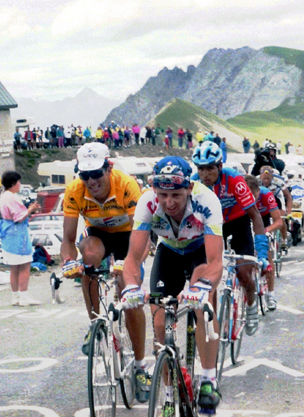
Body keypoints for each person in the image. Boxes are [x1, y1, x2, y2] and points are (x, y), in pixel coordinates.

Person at [121, 156, 224, 413]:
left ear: (189, 188)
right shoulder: (147, 201)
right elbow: (132, 258)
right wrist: (131, 287)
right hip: (168, 252)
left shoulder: (207, 200)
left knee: (204, 301)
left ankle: (209, 378)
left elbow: (215, 261)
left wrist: (202, 287)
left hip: (200, 251)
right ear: (155, 190)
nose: (169, 202)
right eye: (163, 194)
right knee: (159, 321)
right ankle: (168, 392)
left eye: (176, 195)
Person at [59, 143, 150, 401]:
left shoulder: (127, 186)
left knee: (128, 290)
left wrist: (131, 263)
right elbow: (67, 239)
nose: (91, 181)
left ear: (108, 168)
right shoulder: (75, 190)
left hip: (130, 238)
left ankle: (141, 366)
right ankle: (95, 323)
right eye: (84, 175)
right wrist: (68, 261)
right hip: (98, 237)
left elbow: (143, 237)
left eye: (96, 174)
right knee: (86, 259)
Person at [191, 142, 269, 336]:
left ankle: (251, 306)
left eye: (210, 168)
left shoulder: (234, 179)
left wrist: (262, 251)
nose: (205, 174)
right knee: (207, 276)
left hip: (237, 223)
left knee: (243, 273)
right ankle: (213, 321)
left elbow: (255, 216)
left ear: (219, 167)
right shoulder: (193, 183)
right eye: (201, 169)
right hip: (212, 226)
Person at [0, 171, 42, 307]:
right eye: (18, 182)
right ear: (13, 183)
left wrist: (29, 211)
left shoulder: (3, 196)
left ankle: (15, 296)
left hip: (8, 231)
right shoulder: (12, 197)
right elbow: (18, 217)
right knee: (25, 264)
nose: (20, 185)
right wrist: (30, 210)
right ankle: (24, 297)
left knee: (14, 267)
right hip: (17, 232)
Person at [245, 175, 282, 310]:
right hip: (246, 220)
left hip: (263, 219)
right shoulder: (239, 196)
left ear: (258, 192)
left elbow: (278, 221)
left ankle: (271, 295)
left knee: (267, 253)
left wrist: (266, 231)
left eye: (254, 197)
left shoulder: (267, 194)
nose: (252, 200)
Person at [259, 166, 293, 250]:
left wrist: (288, 212)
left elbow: (288, 197)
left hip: (276, 200)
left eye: (268, 178)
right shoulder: (256, 181)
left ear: (272, 177)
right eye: (264, 178)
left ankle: (283, 239)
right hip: (263, 201)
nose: (266, 181)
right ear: (260, 177)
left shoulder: (279, 181)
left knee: (281, 218)